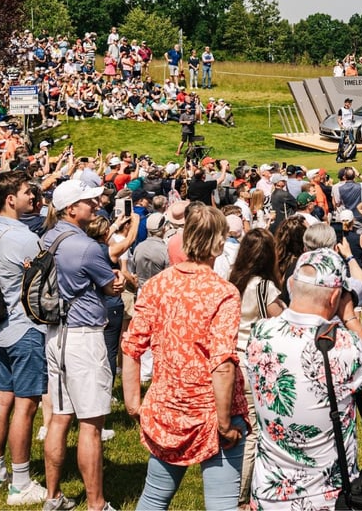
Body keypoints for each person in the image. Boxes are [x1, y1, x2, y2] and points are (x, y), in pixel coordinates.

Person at [122, 203, 250, 511]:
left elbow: (132, 346)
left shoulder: (157, 285)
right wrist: (224, 423)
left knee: (154, 498)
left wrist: (133, 402)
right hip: (212, 410)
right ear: (219, 243)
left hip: (168, 406)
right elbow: (222, 364)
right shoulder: (223, 292)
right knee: (222, 504)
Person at [242, 247, 362, 510]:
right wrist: (351, 319)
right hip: (325, 497)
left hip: (268, 491)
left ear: (291, 285)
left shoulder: (261, 332)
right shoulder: (343, 346)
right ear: (335, 296)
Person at [41, 179, 121, 511]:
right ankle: (96, 504)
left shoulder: (48, 237)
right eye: (89, 202)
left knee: (59, 417)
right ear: (72, 208)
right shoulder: (87, 247)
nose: (96, 205)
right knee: (91, 424)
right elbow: (111, 286)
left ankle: (53, 496)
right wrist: (119, 281)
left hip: (55, 333)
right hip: (84, 336)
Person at [0, 172, 51, 504]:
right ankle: (20, 483)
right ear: (11, 199)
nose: (33, 196)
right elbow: (46, 278)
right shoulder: (25, 238)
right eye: (27, 192)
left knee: (2, 400)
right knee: (26, 405)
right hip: (24, 327)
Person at [226, 228, 285, 506]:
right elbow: (281, 320)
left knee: (239, 424)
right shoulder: (264, 287)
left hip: (231, 358)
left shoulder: (234, 280)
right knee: (253, 432)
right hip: (252, 361)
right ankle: (240, 495)